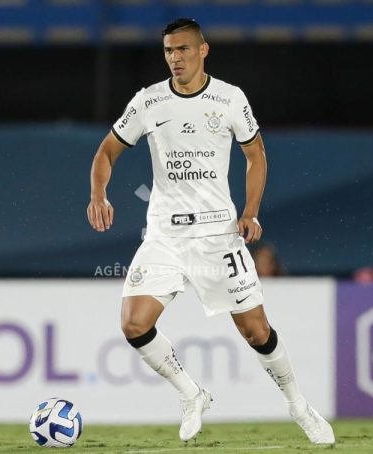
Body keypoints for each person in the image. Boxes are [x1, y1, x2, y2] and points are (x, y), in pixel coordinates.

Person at [87, 18, 334, 445]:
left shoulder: (229, 99)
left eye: (183, 49)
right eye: (168, 51)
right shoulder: (148, 102)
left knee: (255, 330)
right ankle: (192, 393)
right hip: (164, 235)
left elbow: (256, 156)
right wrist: (98, 194)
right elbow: (107, 151)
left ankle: (298, 405)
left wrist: (251, 211)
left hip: (218, 236)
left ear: (203, 50)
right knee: (132, 324)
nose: (175, 58)